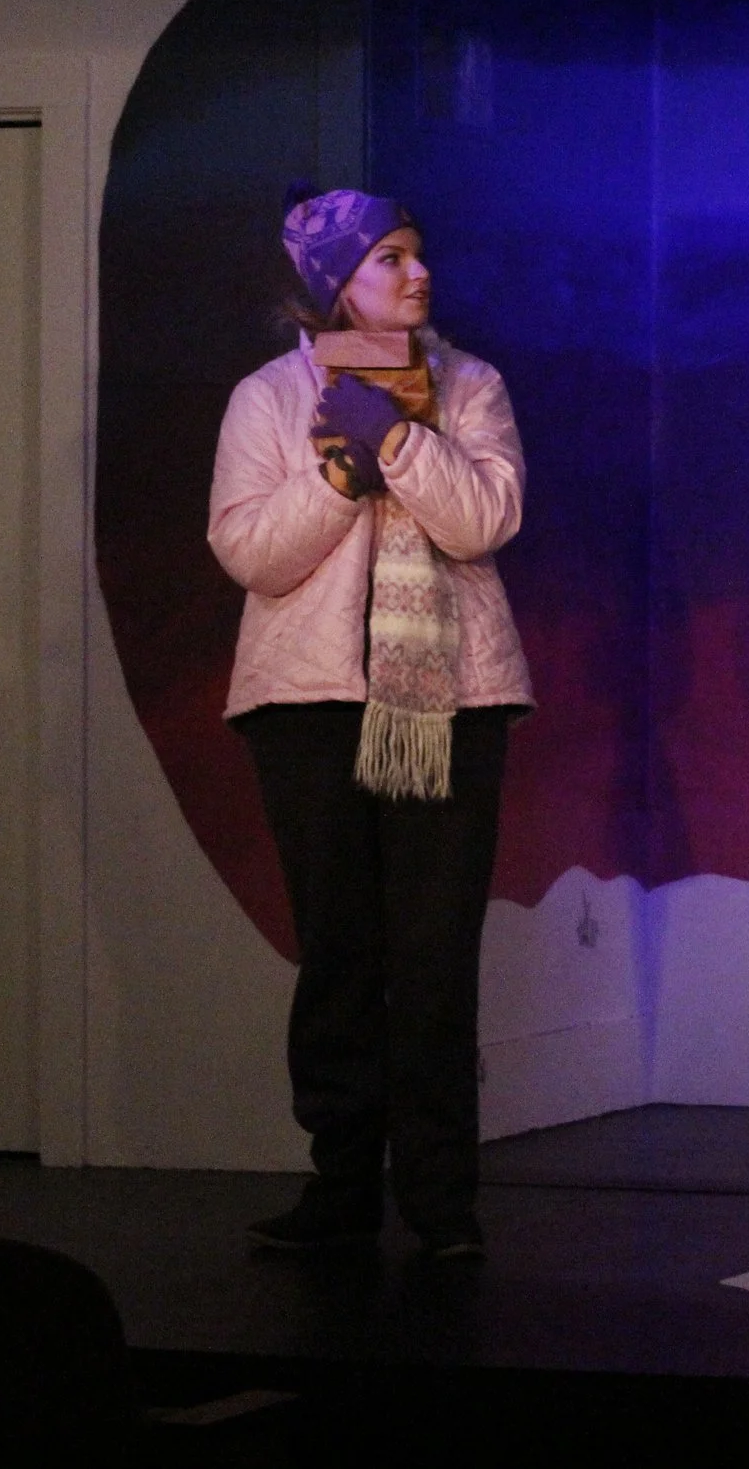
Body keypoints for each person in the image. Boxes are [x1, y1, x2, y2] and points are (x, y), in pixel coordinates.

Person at [210, 185, 532, 1258]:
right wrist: (342, 476)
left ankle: (443, 1202)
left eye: (418, 253)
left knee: (435, 958)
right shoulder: (265, 398)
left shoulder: (469, 382)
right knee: (339, 952)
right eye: (390, 257)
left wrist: (392, 441)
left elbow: (484, 518)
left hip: (449, 699)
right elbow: (253, 553)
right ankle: (342, 1186)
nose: (417, 272)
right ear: (331, 282)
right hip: (308, 706)